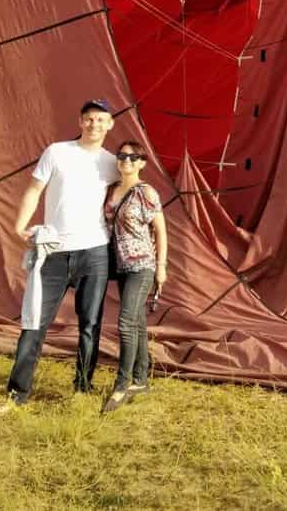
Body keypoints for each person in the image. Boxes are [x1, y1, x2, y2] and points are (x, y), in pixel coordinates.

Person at [0, 99, 120, 412]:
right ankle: (16, 395)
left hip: (94, 251)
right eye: (89, 119)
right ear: (80, 121)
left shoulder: (112, 163)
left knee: (90, 324)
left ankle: (82, 388)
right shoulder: (57, 152)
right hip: (53, 251)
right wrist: (19, 224)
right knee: (33, 322)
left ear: (110, 125)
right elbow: (35, 189)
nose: (94, 125)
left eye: (101, 120)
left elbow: (128, 197)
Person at [101, 140, 168, 414]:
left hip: (142, 265)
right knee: (137, 322)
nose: (126, 160)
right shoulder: (110, 190)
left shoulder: (146, 192)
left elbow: (161, 231)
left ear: (142, 162)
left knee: (126, 321)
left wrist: (161, 266)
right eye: (122, 156)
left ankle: (122, 384)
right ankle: (141, 380)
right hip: (120, 266)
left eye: (133, 157)